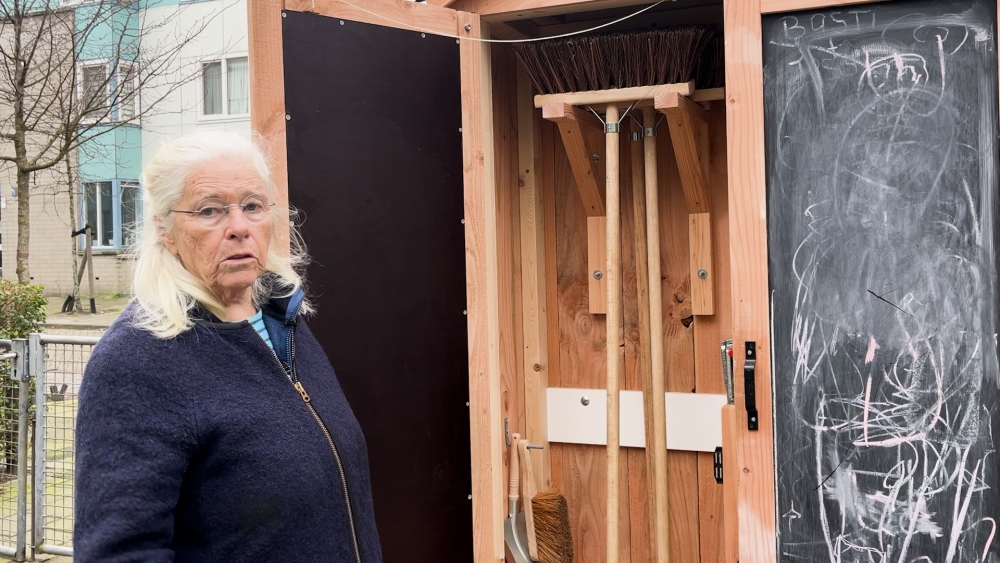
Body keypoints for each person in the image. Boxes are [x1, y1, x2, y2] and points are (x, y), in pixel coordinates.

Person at [74, 131, 383, 563]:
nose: (239, 227)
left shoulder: (283, 321)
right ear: (165, 228)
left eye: (253, 206)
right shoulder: (137, 360)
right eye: (209, 210)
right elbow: (119, 552)